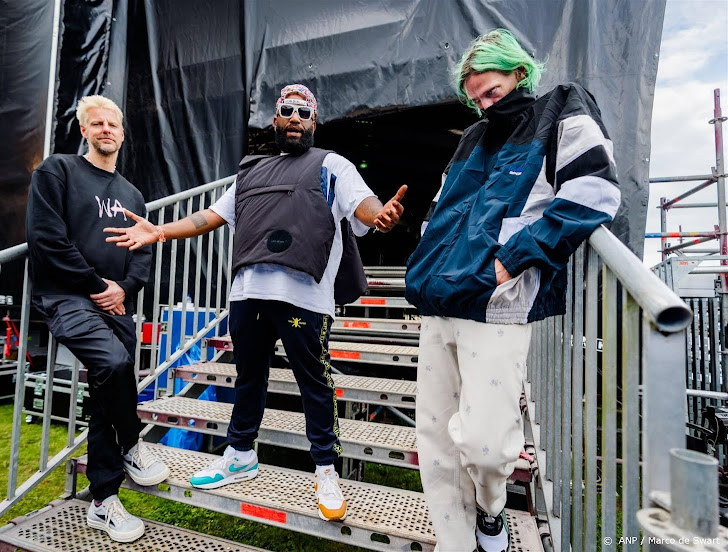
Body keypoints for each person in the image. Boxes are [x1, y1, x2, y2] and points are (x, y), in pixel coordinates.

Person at [105, 83, 407, 522]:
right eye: (288, 110)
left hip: (304, 300)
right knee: (249, 378)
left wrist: (379, 218)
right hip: (247, 297)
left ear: (314, 121)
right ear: (276, 118)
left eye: (305, 113)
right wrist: (161, 231)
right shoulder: (251, 172)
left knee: (314, 384)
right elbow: (211, 215)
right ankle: (240, 454)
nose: (296, 118)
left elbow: (364, 205)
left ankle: (325, 469)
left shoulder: (332, 165)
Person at [405, 29, 620, 552]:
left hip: (499, 305)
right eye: (475, 98)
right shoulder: (470, 138)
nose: (483, 104)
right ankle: (455, 542)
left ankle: (491, 512)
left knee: (485, 448)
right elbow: (441, 210)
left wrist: (511, 262)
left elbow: (595, 191)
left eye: (492, 92)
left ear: (520, 73)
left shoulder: (562, 106)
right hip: (439, 302)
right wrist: (425, 261)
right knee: (433, 443)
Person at [26, 95, 170, 543]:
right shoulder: (57, 171)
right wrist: (97, 286)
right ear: (84, 131)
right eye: (97, 123)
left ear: (123, 134)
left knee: (106, 397)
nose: (107, 129)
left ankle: (103, 502)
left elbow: (142, 253)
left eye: (114, 124)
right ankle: (133, 445)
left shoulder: (132, 195)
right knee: (113, 365)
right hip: (68, 298)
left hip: (117, 304)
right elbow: (47, 239)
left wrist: (124, 289)